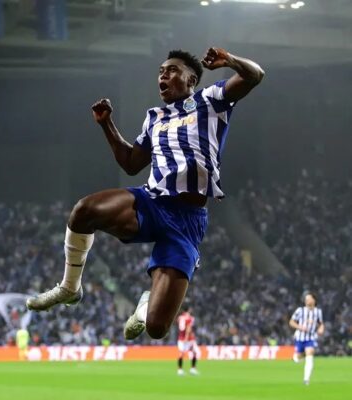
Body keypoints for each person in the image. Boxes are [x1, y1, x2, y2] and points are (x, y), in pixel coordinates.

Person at [26, 47, 264, 342]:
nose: (163, 76)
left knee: (156, 328)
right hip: (151, 202)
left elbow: (255, 75)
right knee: (84, 211)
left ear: (191, 79)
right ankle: (69, 287)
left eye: (172, 70)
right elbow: (131, 163)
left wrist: (230, 61)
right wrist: (107, 125)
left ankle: (145, 304)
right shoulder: (154, 118)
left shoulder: (210, 99)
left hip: (186, 221)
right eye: (160, 72)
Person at [289, 292, 324, 385]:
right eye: (306, 299)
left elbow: (321, 323)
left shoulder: (318, 312)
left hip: (310, 337)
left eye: (309, 298)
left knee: (310, 352)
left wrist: (321, 329)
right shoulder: (300, 310)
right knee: (298, 357)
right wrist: (300, 327)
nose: (307, 300)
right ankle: (296, 357)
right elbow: (291, 322)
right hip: (300, 337)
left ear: (314, 300)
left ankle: (306, 379)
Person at [176, 305, 199, 376]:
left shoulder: (180, 317)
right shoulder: (189, 318)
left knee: (181, 354)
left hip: (180, 338)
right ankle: (192, 369)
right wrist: (186, 337)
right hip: (187, 339)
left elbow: (179, 324)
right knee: (194, 352)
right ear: (188, 310)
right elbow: (188, 328)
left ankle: (180, 370)